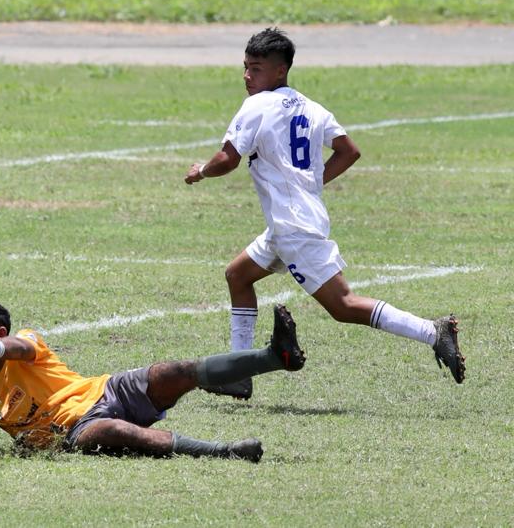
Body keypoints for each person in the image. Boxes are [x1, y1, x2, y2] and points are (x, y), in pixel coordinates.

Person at [183, 27, 465, 400]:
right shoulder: (311, 107)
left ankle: (434, 331)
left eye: (256, 68)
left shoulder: (256, 106)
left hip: (293, 229)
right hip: (289, 224)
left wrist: (200, 171)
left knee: (344, 305)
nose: (248, 76)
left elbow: (227, 159)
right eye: (245, 67)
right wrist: (311, 186)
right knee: (238, 275)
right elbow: (349, 150)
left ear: (280, 71)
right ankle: (238, 372)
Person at [0, 299, 307, 462]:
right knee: (110, 434)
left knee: (174, 372)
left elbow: (20, 347)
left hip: (109, 390)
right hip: (76, 432)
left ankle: (273, 355)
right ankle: (224, 451)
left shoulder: (23, 343)